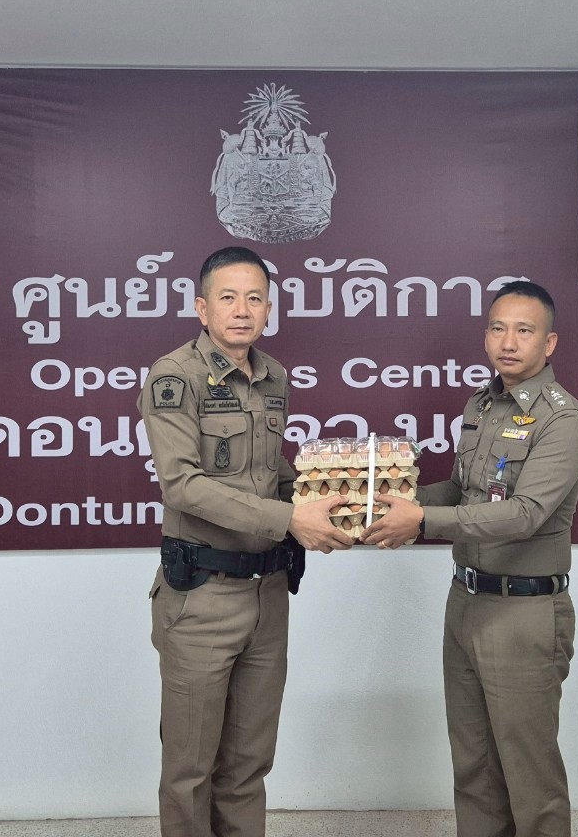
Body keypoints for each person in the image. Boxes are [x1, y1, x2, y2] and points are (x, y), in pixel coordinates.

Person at [364, 280, 578, 837]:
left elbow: (524, 514)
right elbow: (463, 491)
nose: (508, 342)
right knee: (474, 768)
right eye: (497, 328)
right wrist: (388, 500)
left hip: (523, 614)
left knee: (530, 776)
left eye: (524, 330)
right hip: (465, 601)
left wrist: (421, 521)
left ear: (549, 343)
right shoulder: (482, 405)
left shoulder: (562, 420)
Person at [139, 246, 352, 837]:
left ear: (269, 309)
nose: (242, 310)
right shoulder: (175, 376)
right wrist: (290, 519)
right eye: (228, 298)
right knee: (190, 770)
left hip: (267, 593)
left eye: (254, 298)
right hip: (202, 595)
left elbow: (269, 470)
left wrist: (340, 503)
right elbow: (183, 485)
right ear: (202, 308)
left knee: (248, 765)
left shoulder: (274, 376)